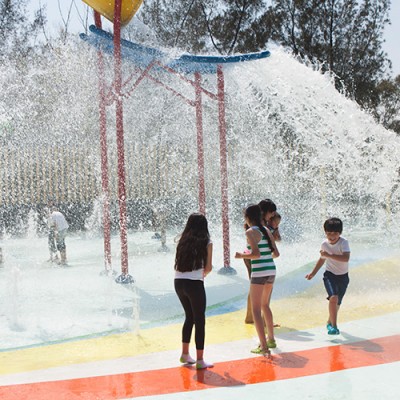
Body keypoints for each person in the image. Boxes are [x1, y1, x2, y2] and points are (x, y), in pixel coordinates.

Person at [235, 204, 280, 356]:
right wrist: (263, 256)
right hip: (271, 270)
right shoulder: (266, 230)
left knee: (256, 309)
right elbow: (276, 254)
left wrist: (241, 255)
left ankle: (264, 346)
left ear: (247, 218)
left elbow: (255, 254)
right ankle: (271, 339)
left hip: (259, 273)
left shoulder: (250, 231)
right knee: (265, 305)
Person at [174, 213, 213, 370]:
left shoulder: (181, 241)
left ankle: (184, 354)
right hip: (194, 284)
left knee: (189, 317)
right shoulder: (207, 242)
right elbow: (208, 268)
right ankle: (200, 360)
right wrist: (201, 274)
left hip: (178, 283)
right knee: (200, 320)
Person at [305, 217, 350, 335]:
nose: (332, 236)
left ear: (340, 233)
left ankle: (330, 322)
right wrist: (313, 273)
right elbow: (322, 259)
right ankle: (334, 326)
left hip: (343, 277)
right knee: (333, 298)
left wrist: (328, 255)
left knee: (338, 302)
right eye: (329, 233)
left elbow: (346, 258)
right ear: (325, 232)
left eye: (335, 233)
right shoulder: (324, 244)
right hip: (330, 275)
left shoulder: (344, 242)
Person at [244, 198, 278, 324]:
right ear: (264, 212)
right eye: (271, 213)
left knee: (254, 288)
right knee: (257, 289)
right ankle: (260, 318)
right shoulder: (259, 226)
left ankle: (251, 317)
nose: (272, 216)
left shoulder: (256, 225)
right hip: (255, 258)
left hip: (253, 258)